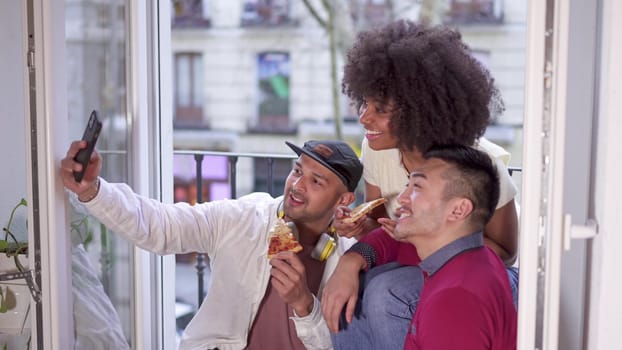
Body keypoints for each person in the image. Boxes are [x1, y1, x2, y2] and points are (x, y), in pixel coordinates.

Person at [322, 20, 519, 349]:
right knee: (349, 296)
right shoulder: (376, 149)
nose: (364, 117)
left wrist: (419, 235)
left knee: (386, 292)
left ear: (420, 111)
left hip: (481, 276)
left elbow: (505, 252)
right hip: (415, 259)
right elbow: (384, 227)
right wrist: (359, 237)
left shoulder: (476, 163)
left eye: (380, 109)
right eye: (364, 103)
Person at [60, 139, 363, 350]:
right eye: (297, 170)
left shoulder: (349, 259)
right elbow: (160, 225)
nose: (297, 186)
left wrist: (304, 304)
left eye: (316, 181)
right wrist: (93, 190)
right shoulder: (245, 217)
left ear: (344, 200)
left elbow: (338, 346)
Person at [328, 145, 517, 349]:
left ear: (458, 210)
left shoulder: (454, 299)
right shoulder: (469, 258)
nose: (401, 197)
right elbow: (396, 245)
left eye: (417, 187)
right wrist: (352, 259)